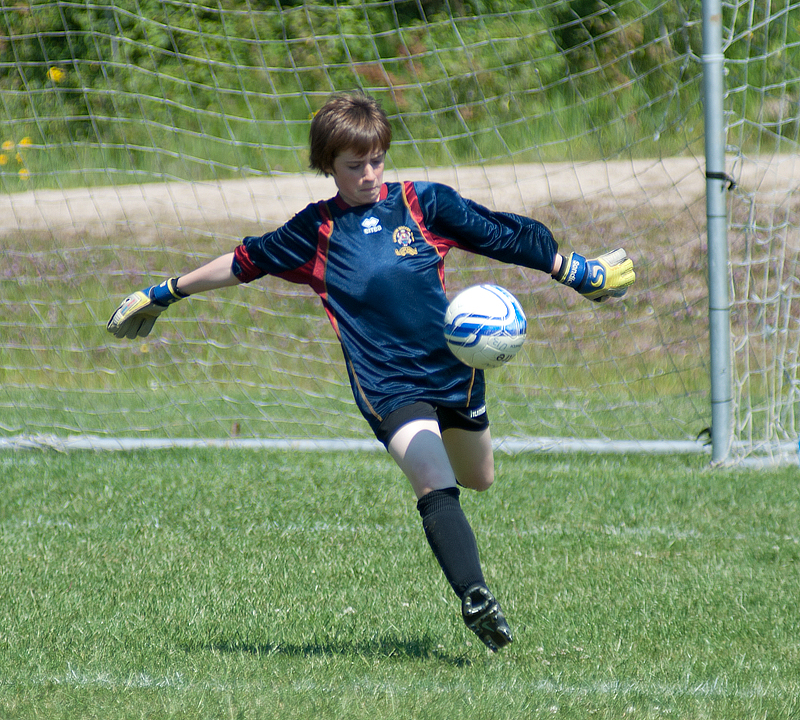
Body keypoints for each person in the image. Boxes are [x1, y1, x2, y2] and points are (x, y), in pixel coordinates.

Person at [108, 91, 635, 652]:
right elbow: (245, 261)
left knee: (479, 477)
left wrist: (572, 270)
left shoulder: (423, 204)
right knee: (433, 481)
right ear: (328, 166)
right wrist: (165, 292)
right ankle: (475, 596)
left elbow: (502, 234)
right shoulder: (315, 231)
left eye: (376, 161)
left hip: (453, 371)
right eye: (353, 165)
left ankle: (470, 558)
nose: (368, 175)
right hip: (386, 384)